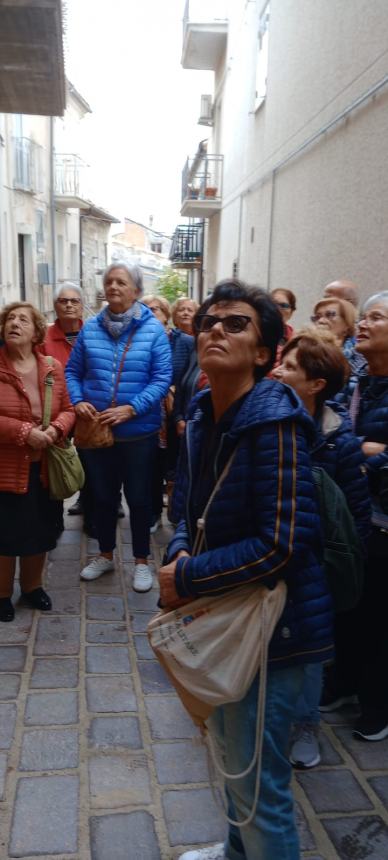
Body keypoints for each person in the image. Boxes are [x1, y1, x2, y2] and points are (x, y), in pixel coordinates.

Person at [159, 279, 333, 860]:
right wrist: (179, 551)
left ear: (264, 353)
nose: (215, 328)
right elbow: (186, 506)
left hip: (273, 629)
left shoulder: (274, 421)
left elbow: (283, 542)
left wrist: (186, 578)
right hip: (227, 610)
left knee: (262, 786)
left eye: (236, 323)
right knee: (235, 762)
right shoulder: (204, 413)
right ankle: (237, 853)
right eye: (209, 320)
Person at [273, 330, 370, 768]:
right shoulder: (265, 424)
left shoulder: (339, 443)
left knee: (308, 655)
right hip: (267, 557)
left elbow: (356, 519)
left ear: (316, 385)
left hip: (312, 569)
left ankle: (306, 724)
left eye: (290, 367)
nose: (277, 370)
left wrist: (331, 571)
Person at [65, 262, 172, 592]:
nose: (113, 287)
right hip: (96, 433)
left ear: (136, 291)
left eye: (121, 282)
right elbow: (72, 372)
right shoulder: (91, 328)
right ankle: (106, 554)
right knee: (102, 497)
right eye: (109, 281)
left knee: (139, 499)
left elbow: (161, 378)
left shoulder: (153, 330)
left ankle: (141, 562)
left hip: (138, 433)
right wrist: (79, 399)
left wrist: (132, 408)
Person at [324, 290, 388, 741]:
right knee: (349, 602)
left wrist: (370, 458)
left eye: (376, 318)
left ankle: (378, 704)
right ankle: (344, 683)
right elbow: (340, 436)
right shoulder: (360, 378)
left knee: (380, 617)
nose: (363, 324)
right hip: (354, 511)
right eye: (362, 316)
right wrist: (361, 452)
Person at [0, 302, 75, 623]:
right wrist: (24, 432)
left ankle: (32, 587)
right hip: (5, 468)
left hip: (44, 468)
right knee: (4, 535)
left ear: (36, 332)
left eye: (22, 320)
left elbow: (69, 409)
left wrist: (57, 428)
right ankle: (2, 594)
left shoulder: (51, 367)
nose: (14, 324)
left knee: (40, 530)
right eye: (9, 319)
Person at [40, 282, 95, 535]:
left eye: (74, 301)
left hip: (87, 408)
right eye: (63, 301)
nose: (69, 305)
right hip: (56, 411)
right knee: (55, 463)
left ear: (82, 306)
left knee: (91, 462)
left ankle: (91, 509)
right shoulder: (44, 338)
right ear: (55, 306)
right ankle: (53, 520)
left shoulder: (93, 333)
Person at [311, 296, 366, 401]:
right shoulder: (304, 351)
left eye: (330, 315)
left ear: (347, 325)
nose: (321, 321)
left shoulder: (359, 357)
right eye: (317, 317)